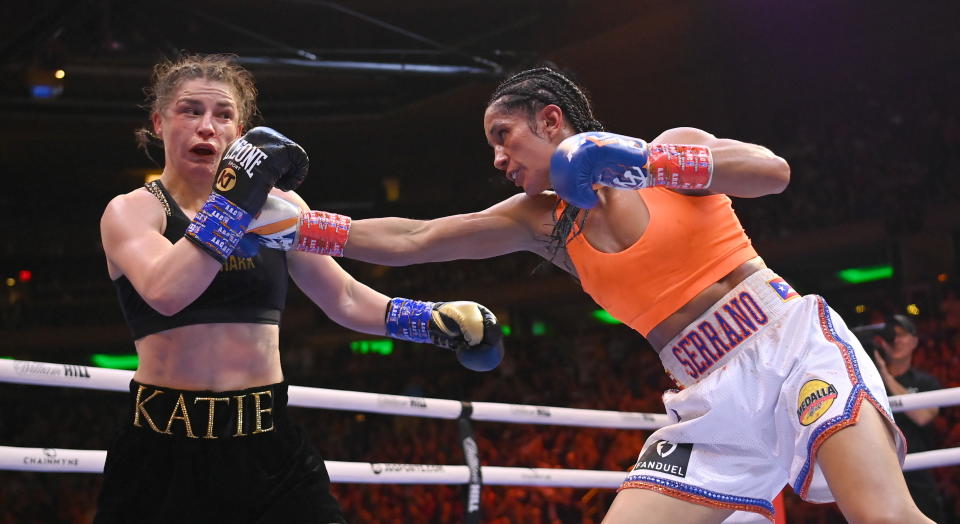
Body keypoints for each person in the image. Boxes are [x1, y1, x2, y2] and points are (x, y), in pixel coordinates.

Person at [245, 66, 932, 522]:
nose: (496, 158)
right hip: (708, 393)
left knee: (882, 516)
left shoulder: (665, 153)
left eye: (502, 136)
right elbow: (413, 237)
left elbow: (772, 172)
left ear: (550, 121)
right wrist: (299, 224)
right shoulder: (542, 224)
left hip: (787, 344)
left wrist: (648, 159)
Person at [96, 53, 502, 524]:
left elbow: (343, 297)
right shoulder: (131, 212)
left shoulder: (278, 208)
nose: (207, 126)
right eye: (190, 110)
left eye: (223, 114)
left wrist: (430, 320)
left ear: (241, 131)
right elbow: (168, 292)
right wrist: (233, 202)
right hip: (163, 453)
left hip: (270, 447)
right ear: (159, 122)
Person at [873, 315, 946, 522]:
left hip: (918, 475)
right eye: (890, 336)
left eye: (901, 335)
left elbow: (923, 417)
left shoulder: (926, 382)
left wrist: (887, 376)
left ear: (914, 341)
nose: (895, 340)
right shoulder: (870, 381)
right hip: (880, 473)